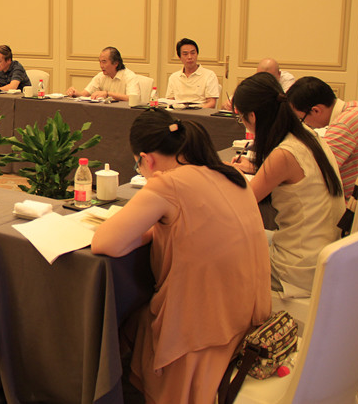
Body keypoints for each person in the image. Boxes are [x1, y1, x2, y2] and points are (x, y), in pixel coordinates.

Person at [91, 108, 270, 404]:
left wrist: (150, 229)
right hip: (248, 320)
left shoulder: (169, 183)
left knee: (118, 324)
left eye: (138, 165)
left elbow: (105, 242)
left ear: (146, 159)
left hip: (202, 334)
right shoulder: (231, 173)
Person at [231, 72, 344, 297]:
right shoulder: (308, 135)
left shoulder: (284, 154)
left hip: (300, 267)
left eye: (240, 118)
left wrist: (228, 174)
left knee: (218, 254)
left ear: (252, 116)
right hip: (325, 253)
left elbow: (240, 203)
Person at [286, 76, 358, 201]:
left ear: (316, 110)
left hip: (351, 204)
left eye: (301, 119)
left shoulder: (343, 126)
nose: (305, 123)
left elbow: (314, 174)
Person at [65, 46, 139, 100]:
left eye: (104, 62)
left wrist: (107, 94)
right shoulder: (100, 76)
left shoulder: (129, 76)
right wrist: (75, 93)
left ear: (116, 63)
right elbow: (84, 94)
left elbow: (133, 99)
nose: (101, 66)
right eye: (100, 62)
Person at [165, 38, 219, 108]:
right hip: (178, 111)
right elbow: (170, 101)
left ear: (197, 54)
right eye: (185, 54)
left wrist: (198, 112)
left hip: (200, 111)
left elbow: (211, 103)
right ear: (179, 57)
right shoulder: (174, 77)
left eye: (193, 53)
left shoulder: (209, 75)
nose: (190, 57)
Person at [222, 58, 296, 110]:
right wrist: (228, 105)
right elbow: (226, 104)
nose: (266, 82)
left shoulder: (287, 80)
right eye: (262, 78)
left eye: (270, 78)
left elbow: (285, 106)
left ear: (279, 74)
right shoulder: (255, 80)